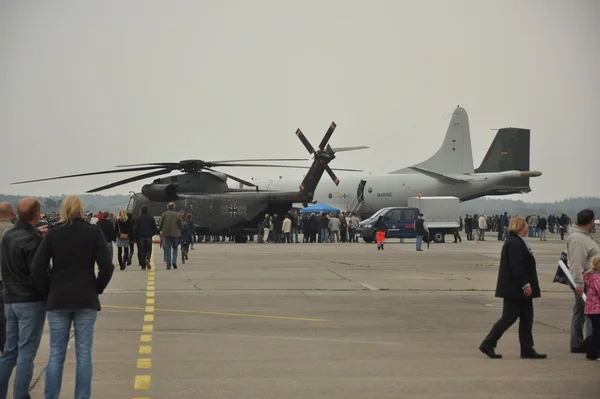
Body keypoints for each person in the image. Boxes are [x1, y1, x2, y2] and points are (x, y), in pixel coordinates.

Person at [31, 195, 114, 399]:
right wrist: (97, 288)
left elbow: (37, 268)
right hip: (86, 298)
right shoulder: (93, 233)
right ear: (81, 209)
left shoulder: (53, 234)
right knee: (84, 355)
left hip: (58, 298)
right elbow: (106, 267)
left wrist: (48, 290)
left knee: (56, 354)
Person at [479, 217, 546, 359]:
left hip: (518, 289)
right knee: (508, 318)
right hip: (516, 289)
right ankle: (488, 343)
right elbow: (517, 267)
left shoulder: (517, 241)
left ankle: (527, 348)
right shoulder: (515, 243)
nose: (528, 228)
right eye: (526, 225)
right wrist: (526, 285)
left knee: (527, 318)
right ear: (521, 227)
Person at [0, 198, 46, 398]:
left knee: (10, 351)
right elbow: (39, 271)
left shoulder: (7, 235)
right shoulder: (33, 239)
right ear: (37, 214)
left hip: (9, 300)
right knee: (27, 353)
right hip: (29, 301)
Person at [566, 209, 599, 353]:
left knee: (580, 310)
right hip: (585, 280)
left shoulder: (582, 236)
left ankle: (579, 343)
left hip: (586, 279)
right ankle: (590, 343)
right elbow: (577, 262)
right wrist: (579, 283)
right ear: (591, 221)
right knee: (591, 312)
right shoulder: (579, 238)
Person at [0, 202, 15, 354]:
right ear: (12, 213)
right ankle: (6, 347)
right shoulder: (13, 231)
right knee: (8, 317)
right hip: (9, 280)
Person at [159, 202, 185, 270]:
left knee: (168, 248)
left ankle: (168, 264)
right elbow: (182, 225)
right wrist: (180, 230)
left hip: (167, 233)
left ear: (168, 207)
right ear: (174, 207)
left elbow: (160, 224)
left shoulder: (164, 214)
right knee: (175, 248)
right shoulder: (177, 214)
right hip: (176, 234)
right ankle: (174, 262)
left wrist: (161, 229)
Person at [584, 256, 600, 360]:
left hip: (591, 309)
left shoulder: (591, 277)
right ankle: (593, 352)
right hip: (596, 309)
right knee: (598, 332)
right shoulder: (597, 279)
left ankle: (591, 352)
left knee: (596, 331)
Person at [134, 205, 157, 270]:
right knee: (149, 249)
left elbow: (136, 229)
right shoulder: (151, 218)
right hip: (149, 236)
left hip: (141, 237)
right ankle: (147, 258)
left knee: (141, 251)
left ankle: (143, 265)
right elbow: (154, 228)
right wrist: (152, 234)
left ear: (141, 211)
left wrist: (136, 236)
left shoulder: (138, 219)